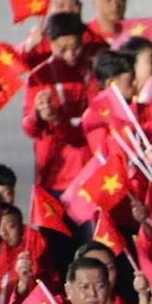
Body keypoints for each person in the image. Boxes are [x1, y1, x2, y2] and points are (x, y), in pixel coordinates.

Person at [21, 12, 93, 194]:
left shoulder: (93, 72)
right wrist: (38, 113)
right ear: (50, 43)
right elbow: (29, 128)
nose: (70, 54)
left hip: (88, 170)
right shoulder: (39, 77)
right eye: (63, 49)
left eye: (76, 47)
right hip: (54, 174)